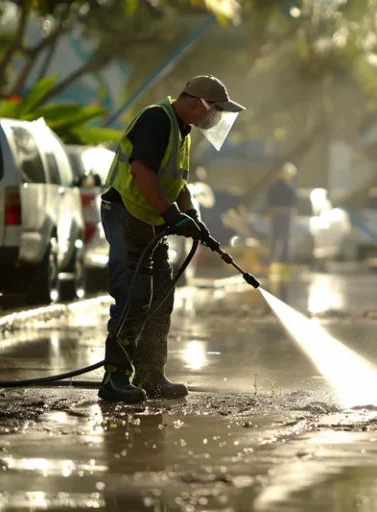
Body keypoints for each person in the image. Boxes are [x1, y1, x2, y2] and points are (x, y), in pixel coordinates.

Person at [98, 75, 244, 403]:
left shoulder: (182, 131)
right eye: (213, 112)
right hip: (126, 214)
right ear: (195, 102)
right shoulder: (157, 120)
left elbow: (178, 182)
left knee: (161, 295)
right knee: (134, 296)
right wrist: (171, 214)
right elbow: (141, 172)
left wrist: (192, 214)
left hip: (147, 218)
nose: (214, 120)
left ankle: (151, 375)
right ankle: (115, 377)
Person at [266, 162, 298, 277]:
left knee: (279, 240)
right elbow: (292, 202)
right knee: (281, 240)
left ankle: (278, 264)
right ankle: (278, 264)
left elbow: (292, 203)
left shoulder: (281, 186)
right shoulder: (285, 187)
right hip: (282, 214)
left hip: (282, 214)